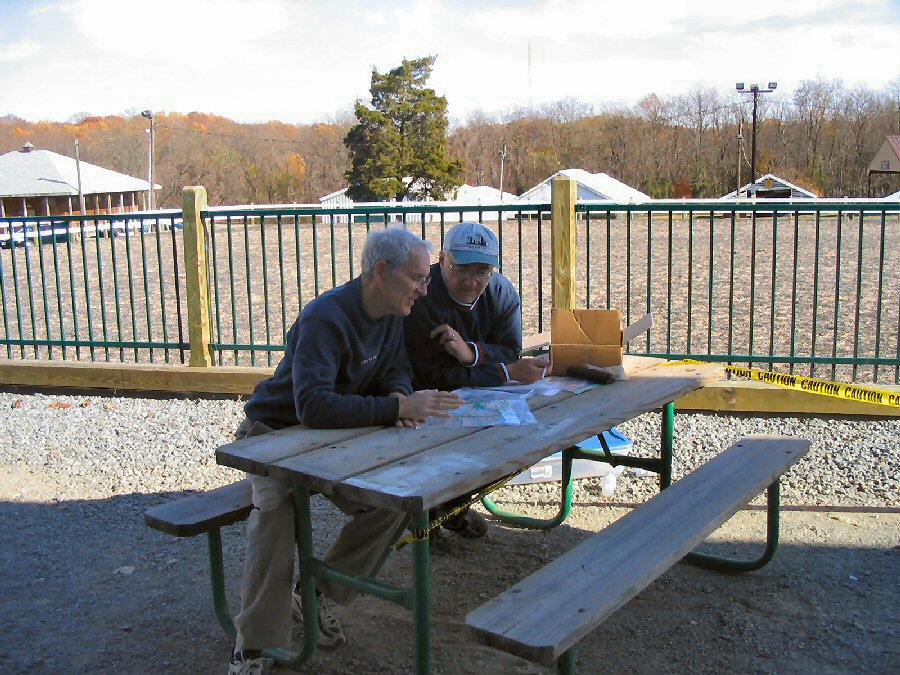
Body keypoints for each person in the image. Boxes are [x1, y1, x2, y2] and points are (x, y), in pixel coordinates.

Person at [229, 227, 462, 674]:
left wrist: (398, 397)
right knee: (277, 517)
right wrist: (395, 407)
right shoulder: (326, 317)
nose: (424, 289)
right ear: (381, 271)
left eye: (426, 279)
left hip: (337, 438)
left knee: (394, 503)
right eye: (417, 278)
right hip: (272, 435)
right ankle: (255, 646)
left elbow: (396, 370)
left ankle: (314, 592)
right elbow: (312, 405)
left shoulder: (393, 313)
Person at [404, 221, 548, 540]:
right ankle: (433, 510)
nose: (471, 282)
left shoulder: (502, 292)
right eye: (461, 270)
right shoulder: (421, 296)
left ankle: (450, 506)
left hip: (478, 398)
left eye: (482, 272)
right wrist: (505, 372)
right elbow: (430, 373)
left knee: (523, 442)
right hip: (424, 400)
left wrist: (471, 353)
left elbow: (510, 350)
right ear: (442, 260)